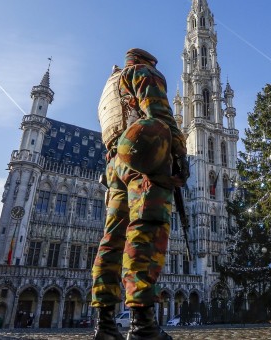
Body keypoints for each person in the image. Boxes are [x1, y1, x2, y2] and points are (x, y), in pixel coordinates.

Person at [91, 48, 188, 340]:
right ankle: (143, 326)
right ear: (146, 61)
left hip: (114, 166)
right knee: (146, 230)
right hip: (143, 158)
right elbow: (160, 115)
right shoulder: (142, 72)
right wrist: (179, 154)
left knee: (112, 240)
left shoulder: (109, 87)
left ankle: (105, 325)